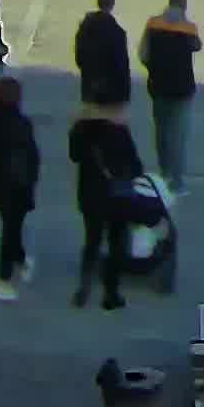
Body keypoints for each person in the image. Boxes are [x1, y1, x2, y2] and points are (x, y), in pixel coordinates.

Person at [67, 111, 144, 310]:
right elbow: (136, 166)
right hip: (117, 196)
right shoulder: (120, 130)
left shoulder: (83, 130)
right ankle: (111, 293)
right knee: (116, 244)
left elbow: (74, 156)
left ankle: (84, 287)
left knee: (92, 240)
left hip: (91, 195)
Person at [0, 75, 40, 299]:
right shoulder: (23, 124)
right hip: (19, 184)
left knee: (10, 227)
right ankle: (4, 279)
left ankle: (22, 260)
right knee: (11, 230)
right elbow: (32, 155)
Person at [140, 0, 200, 195]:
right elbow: (197, 46)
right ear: (183, 7)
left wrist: (154, 69)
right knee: (179, 136)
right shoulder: (189, 29)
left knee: (162, 133)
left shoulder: (152, 24)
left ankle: (164, 174)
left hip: (158, 87)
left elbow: (143, 54)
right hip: (182, 90)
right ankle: (176, 182)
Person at [74, 0, 131, 113]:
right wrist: (125, 93)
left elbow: (79, 57)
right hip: (110, 91)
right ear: (112, 4)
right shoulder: (117, 32)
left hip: (89, 85)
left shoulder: (85, 27)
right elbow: (122, 65)